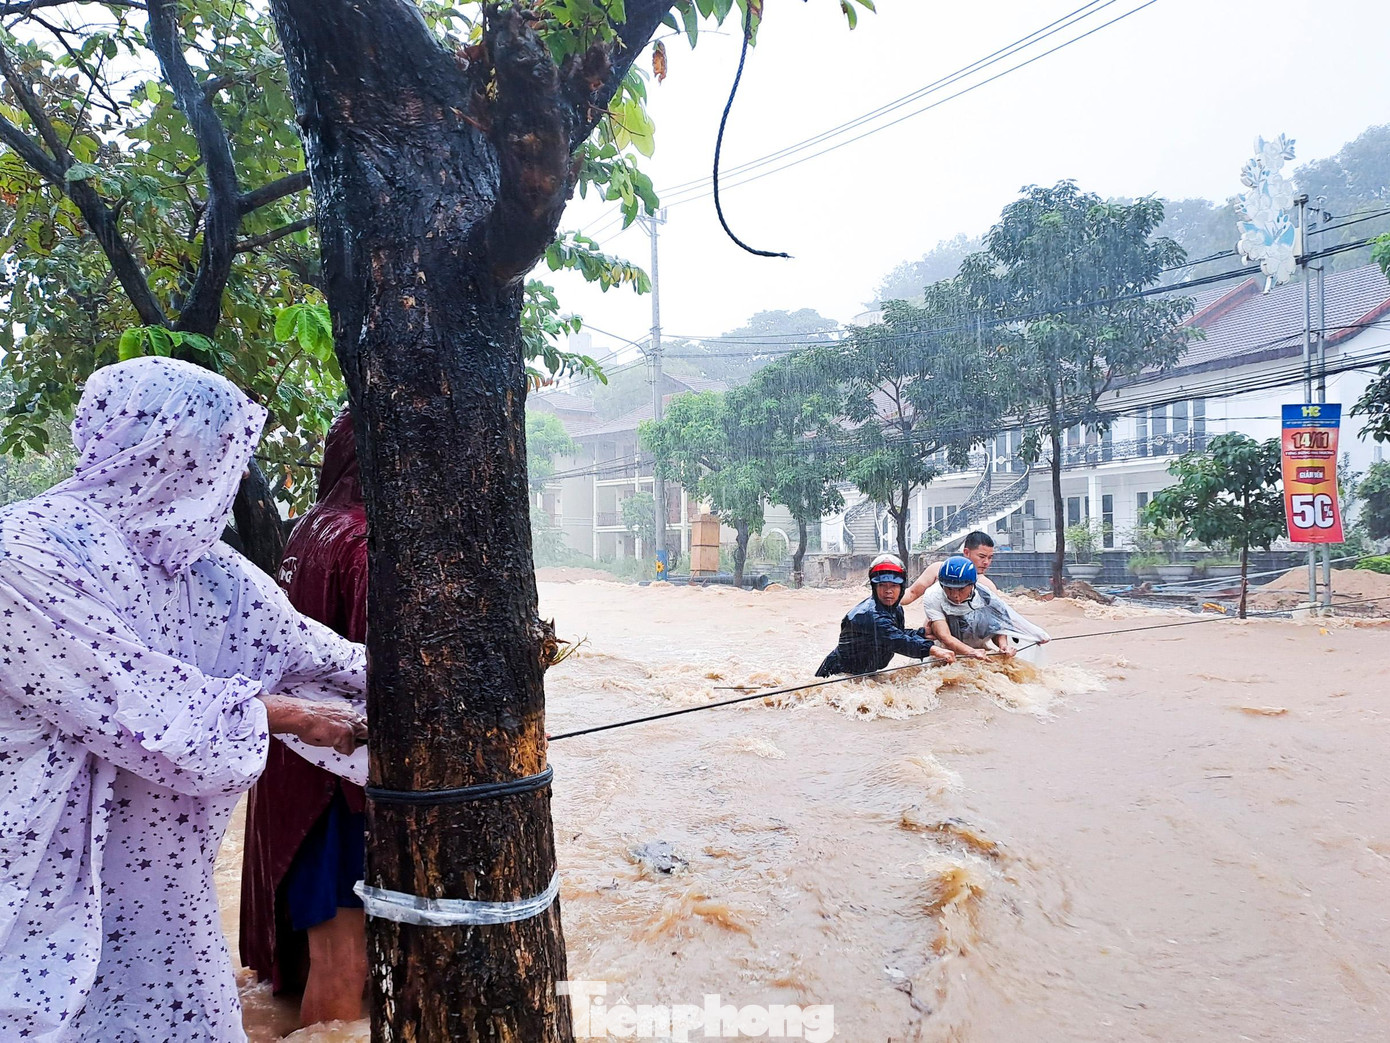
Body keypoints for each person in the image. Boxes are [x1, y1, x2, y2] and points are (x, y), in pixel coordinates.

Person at [0, 357, 369, 1041]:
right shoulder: (24, 550)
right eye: (219, 447)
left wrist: (463, 687)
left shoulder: (210, 572)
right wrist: (288, 715)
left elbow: (324, 656)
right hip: (36, 885)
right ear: (157, 442)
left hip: (167, 905)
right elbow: (137, 710)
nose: (225, 473)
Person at [242, 408, 368, 1026]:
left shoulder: (304, 531)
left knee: (322, 945)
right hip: (341, 785)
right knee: (347, 959)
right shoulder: (365, 542)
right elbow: (383, 673)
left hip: (288, 762)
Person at [901, 530, 1050, 647]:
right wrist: (883, 599)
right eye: (982, 556)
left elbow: (998, 620)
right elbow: (912, 593)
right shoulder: (939, 570)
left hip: (971, 642)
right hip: (939, 638)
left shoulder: (987, 587)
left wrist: (1031, 635)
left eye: (990, 558)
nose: (986, 562)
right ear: (966, 552)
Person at [816, 553, 955, 676]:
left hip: (864, 673)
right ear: (874, 587)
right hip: (838, 675)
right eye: (882, 585)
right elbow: (898, 642)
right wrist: (934, 650)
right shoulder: (870, 615)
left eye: (894, 586)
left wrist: (921, 633)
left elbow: (897, 634)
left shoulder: (895, 608)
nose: (888, 591)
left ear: (901, 588)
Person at [918, 555, 1013, 660]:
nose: (955, 595)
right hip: (945, 649)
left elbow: (997, 627)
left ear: (972, 585)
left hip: (978, 647)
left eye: (961, 589)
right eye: (949, 589)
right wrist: (970, 652)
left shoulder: (987, 598)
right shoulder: (933, 596)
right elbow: (944, 636)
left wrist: (1003, 645)